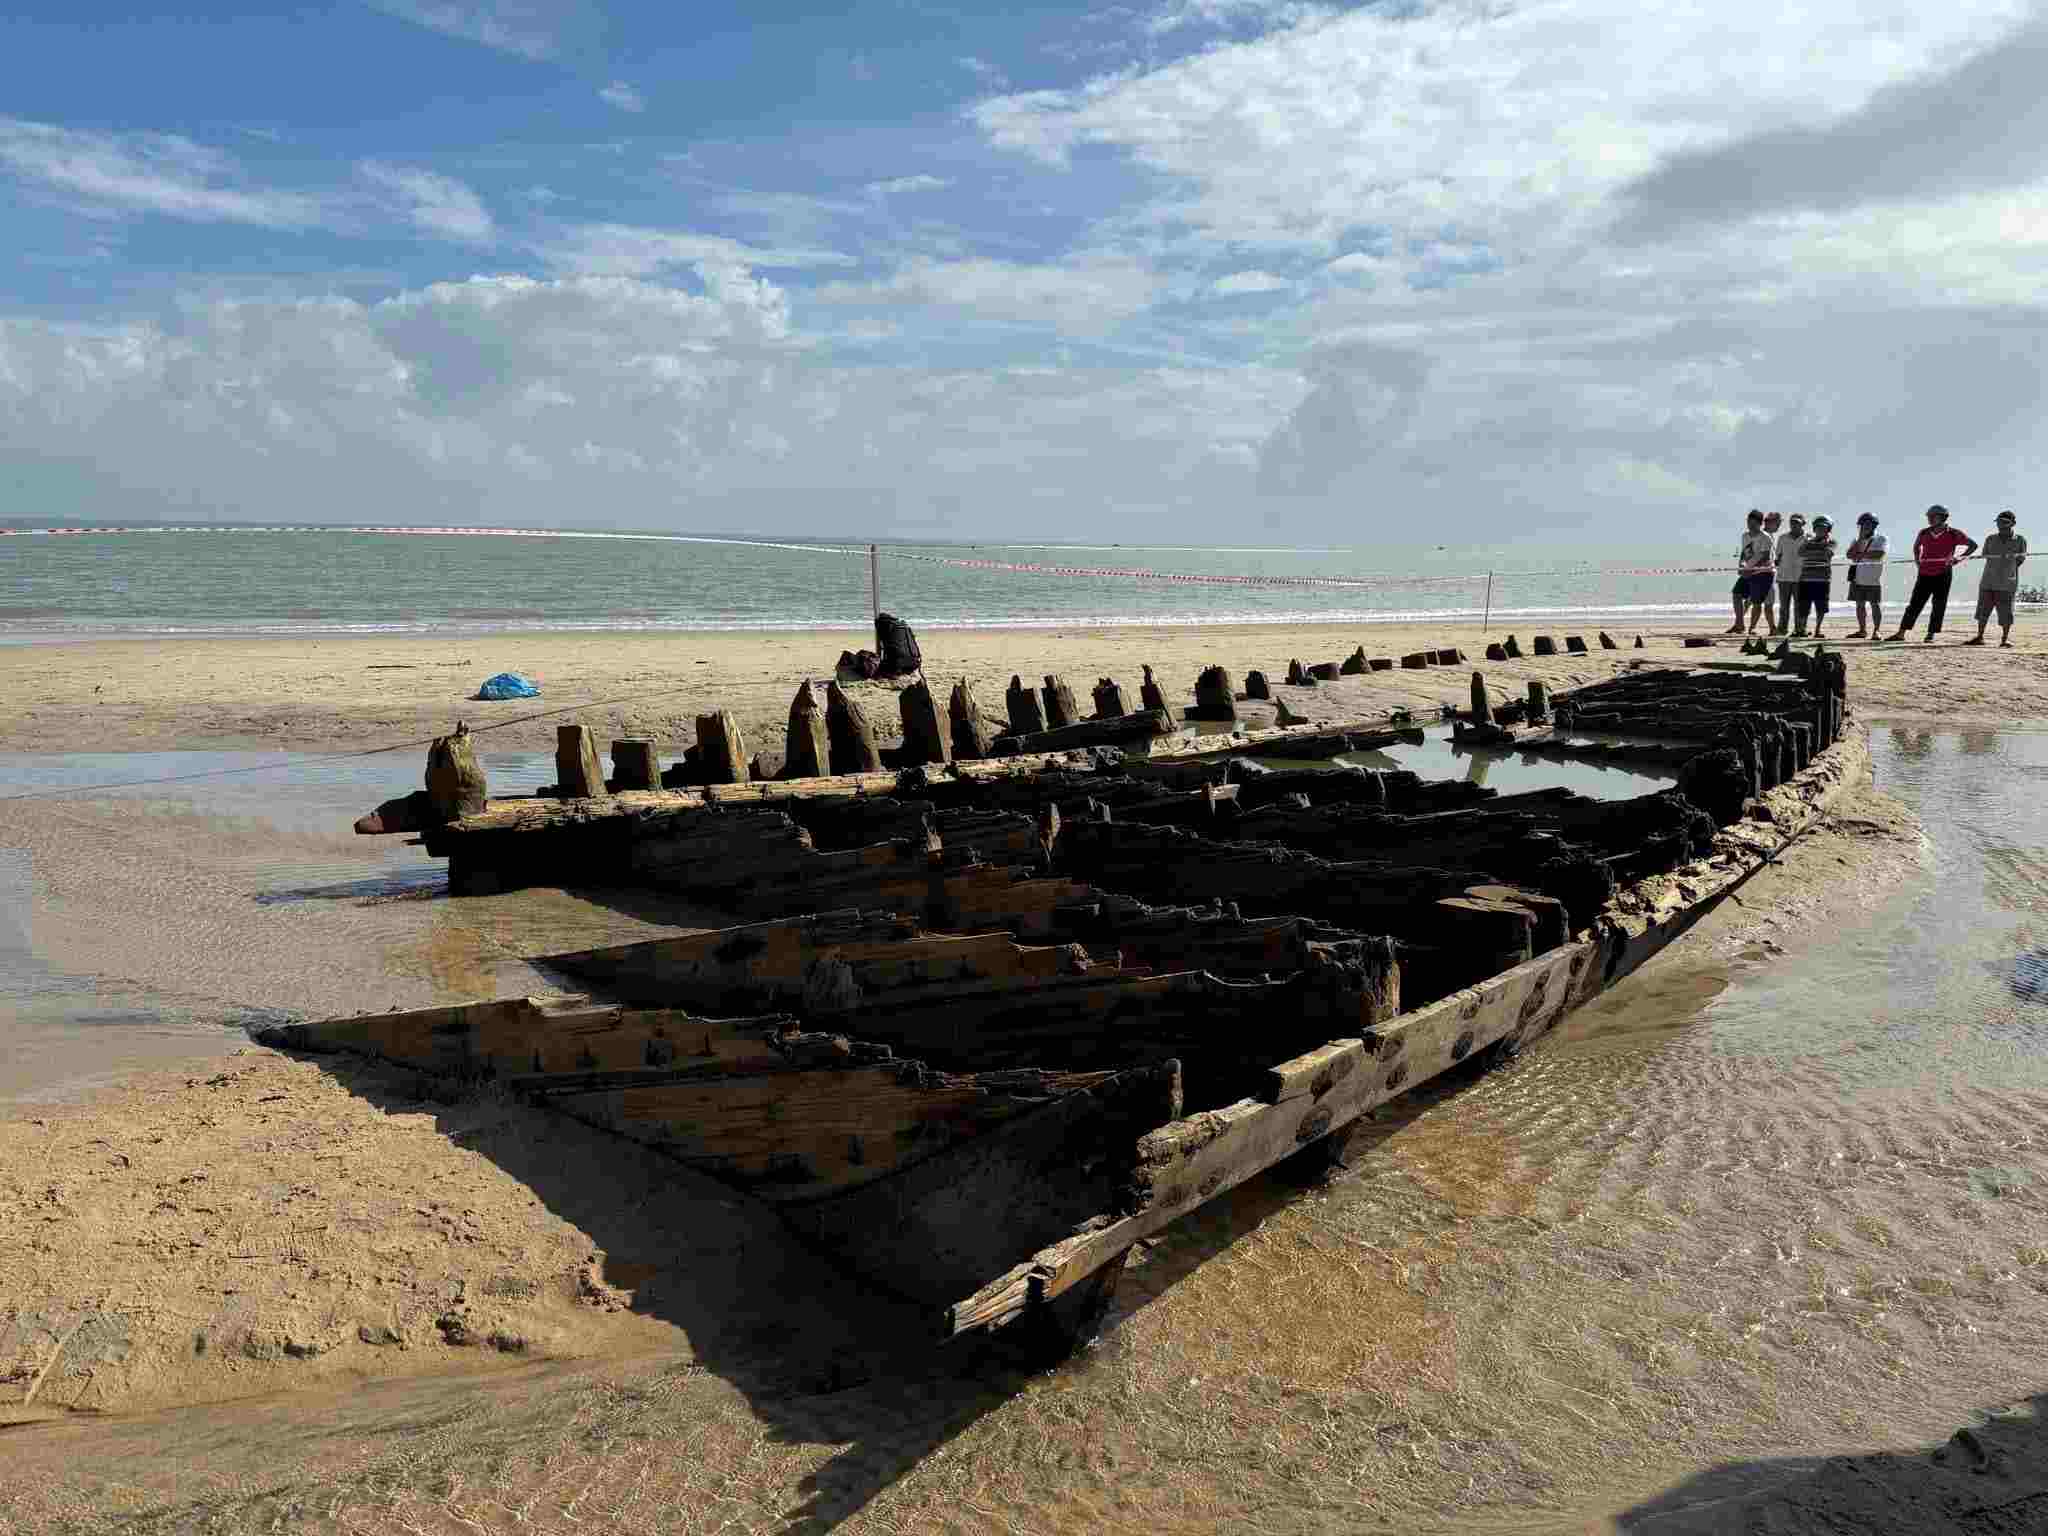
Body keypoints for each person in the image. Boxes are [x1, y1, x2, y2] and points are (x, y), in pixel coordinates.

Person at [1889, 505, 1977, 643]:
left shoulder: (1953, 533)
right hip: (1924, 573)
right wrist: (1918, 562)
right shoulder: (1923, 532)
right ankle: (1901, 633)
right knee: (1915, 604)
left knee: (1939, 604)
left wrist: (1958, 558)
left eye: (1932, 516)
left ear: (1942, 517)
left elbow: (1973, 545)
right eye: (1928, 516)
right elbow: (1916, 547)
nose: (1929, 519)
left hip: (1943, 573)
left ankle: (1930, 634)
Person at [1966, 509, 2027, 647]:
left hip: (2007, 583)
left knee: (2006, 613)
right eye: (1999, 522)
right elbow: (1985, 555)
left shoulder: (2020, 540)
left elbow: (2021, 560)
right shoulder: (1990, 538)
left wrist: (2010, 560)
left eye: (2005, 522)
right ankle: (1980, 637)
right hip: (1988, 581)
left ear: (2012, 523)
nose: (2001, 525)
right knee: (1982, 611)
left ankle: (2004, 639)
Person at [1728, 509, 1776, 634]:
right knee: (1736, 593)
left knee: (1756, 602)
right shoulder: (1745, 536)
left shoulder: (1765, 537)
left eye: (1753, 523)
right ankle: (1739, 624)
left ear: (1760, 524)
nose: (1750, 525)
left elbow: (1765, 556)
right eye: (1749, 522)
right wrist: (1741, 566)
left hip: (1763, 572)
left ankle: (1752, 628)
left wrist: (1751, 569)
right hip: (1748, 570)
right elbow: (1744, 553)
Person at [1844, 514, 1887, 638]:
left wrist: (1860, 554)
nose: (1866, 527)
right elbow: (1849, 555)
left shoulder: (1880, 538)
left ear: (1874, 525)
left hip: (1873, 579)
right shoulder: (1856, 540)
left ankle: (1877, 631)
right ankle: (1862, 630)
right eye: (1863, 525)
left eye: (1868, 524)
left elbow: (1878, 554)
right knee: (1859, 605)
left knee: (1875, 604)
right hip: (1857, 578)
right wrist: (1859, 540)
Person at [1794, 515, 1837, 637]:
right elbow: (1801, 552)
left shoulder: (1831, 542)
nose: (1820, 530)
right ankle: (1802, 629)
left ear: (1828, 530)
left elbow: (1828, 553)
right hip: (1805, 578)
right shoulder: (1808, 541)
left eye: (1823, 528)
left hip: (1822, 579)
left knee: (1821, 607)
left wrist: (1813, 547)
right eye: (1818, 528)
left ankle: (1818, 630)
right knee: (1803, 606)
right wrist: (1811, 543)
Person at [1773, 511, 1807, 637]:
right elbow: (1778, 557)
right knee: (1784, 607)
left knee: (1799, 606)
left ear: (1802, 524)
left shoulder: (1807, 538)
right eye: (1792, 522)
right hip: (1784, 577)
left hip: (1800, 578)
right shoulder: (1782, 538)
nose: (1794, 525)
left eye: (1797, 523)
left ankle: (1800, 629)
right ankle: (1782, 629)